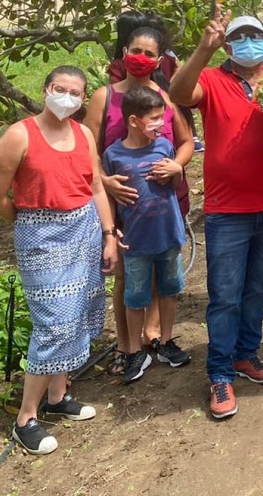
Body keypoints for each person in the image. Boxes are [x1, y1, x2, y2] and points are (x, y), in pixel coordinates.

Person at [0, 66, 118, 455]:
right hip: (41, 239)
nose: (67, 97)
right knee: (54, 324)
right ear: (45, 90)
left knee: (77, 314)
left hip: (86, 232)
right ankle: (26, 417)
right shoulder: (18, 135)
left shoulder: (83, 134)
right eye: (60, 89)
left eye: (76, 92)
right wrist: (34, 222)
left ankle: (58, 396)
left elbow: (95, 187)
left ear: (82, 98)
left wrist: (108, 235)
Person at [170, 10, 263, 420]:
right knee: (224, 296)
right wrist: (203, 50)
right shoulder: (212, 78)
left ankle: (246, 355)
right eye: (238, 36)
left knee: (257, 291)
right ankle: (220, 373)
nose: (248, 41)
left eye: (255, 35)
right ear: (227, 44)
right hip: (227, 210)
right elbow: (179, 92)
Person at [85, 25, 194, 376]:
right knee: (126, 277)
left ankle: (156, 335)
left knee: (163, 275)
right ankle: (126, 345)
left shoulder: (164, 96)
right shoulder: (104, 96)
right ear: (123, 51)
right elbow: (86, 148)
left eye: (149, 53)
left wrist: (176, 165)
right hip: (120, 204)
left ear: (158, 59)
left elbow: (186, 141)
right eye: (136, 50)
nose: (141, 58)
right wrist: (104, 183)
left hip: (163, 201)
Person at [103, 87, 189, 384]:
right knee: (135, 297)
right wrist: (112, 231)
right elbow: (109, 199)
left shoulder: (165, 147)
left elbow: (176, 182)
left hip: (169, 236)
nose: (160, 125)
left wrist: (175, 170)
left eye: (161, 118)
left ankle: (165, 342)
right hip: (135, 242)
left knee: (169, 290)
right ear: (134, 120)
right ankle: (135, 351)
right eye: (153, 119)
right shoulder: (113, 155)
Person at [107, 10, 178, 84]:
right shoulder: (168, 58)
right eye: (136, 51)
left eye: (149, 54)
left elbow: (114, 93)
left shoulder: (119, 65)